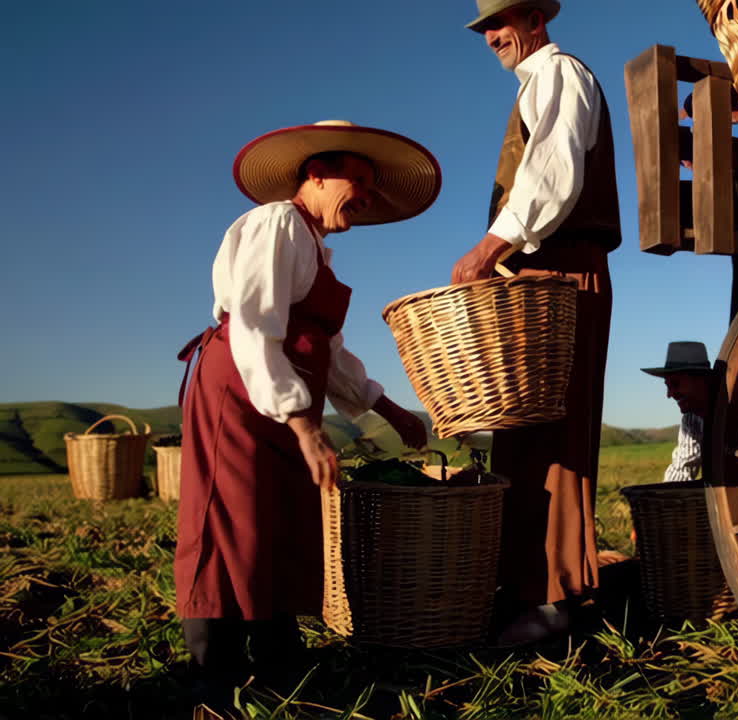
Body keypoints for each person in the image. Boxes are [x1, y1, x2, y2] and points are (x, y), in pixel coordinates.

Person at [174, 120, 440, 710]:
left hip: (282, 396)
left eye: (372, 188)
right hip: (238, 391)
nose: (367, 197)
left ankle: (277, 658)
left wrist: (390, 410)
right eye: (359, 181)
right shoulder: (276, 223)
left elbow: (330, 353)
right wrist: (304, 425)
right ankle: (214, 673)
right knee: (229, 519)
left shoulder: (315, 248)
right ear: (316, 174)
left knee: (278, 520)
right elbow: (254, 325)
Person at [452, 0, 621, 646]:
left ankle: (555, 600)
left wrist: (488, 248)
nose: (491, 36)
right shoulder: (534, 84)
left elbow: (554, 171)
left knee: (555, 433)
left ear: (535, 21)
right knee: (523, 433)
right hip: (539, 274)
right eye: (485, 28)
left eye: (501, 23)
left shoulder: (559, 73)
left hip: (562, 272)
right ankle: (529, 587)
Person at [642, 341, 738, 484]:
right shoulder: (690, 420)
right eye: (668, 386)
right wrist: (666, 495)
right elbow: (683, 466)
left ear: (701, 380)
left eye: (675, 384)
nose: (669, 394)